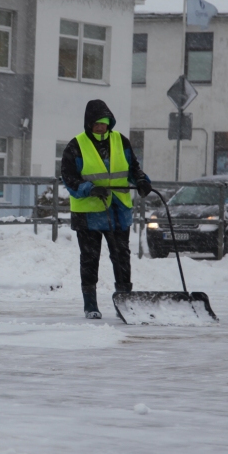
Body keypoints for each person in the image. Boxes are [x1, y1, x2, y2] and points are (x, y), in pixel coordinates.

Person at [60, 99, 151, 319]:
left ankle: (125, 302)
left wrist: (141, 180)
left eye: (105, 122)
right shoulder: (76, 146)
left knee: (121, 256)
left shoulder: (121, 141)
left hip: (118, 210)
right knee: (90, 258)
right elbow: (68, 178)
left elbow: (133, 168)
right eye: (97, 123)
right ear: (89, 123)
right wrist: (89, 189)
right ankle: (90, 305)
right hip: (88, 212)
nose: (102, 126)